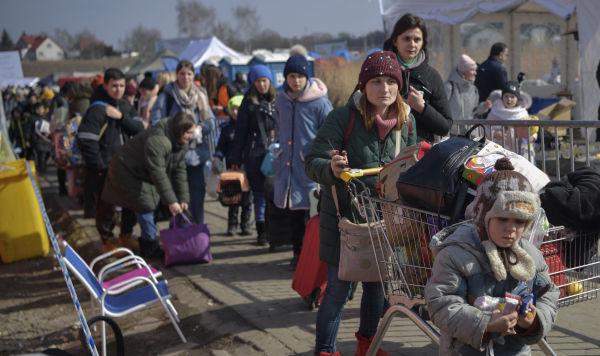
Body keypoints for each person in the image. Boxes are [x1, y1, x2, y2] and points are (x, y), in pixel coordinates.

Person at [305, 51, 417, 355]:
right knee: (338, 291)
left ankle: (368, 345)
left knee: (377, 289)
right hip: (346, 221)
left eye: (391, 82)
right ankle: (325, 350)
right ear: (363, 86)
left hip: (385, 221)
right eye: (376, 82)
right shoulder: (343, 117)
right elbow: (311, 160)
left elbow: (410, 166)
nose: (385, 89)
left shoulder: (407, 122)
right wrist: (331, 169)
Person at [425, 157, 559, 355]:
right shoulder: (456, 254)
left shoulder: (531, 256)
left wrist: (534, 320)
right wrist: (485, 323)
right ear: (482, 216)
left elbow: (548, 293)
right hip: (465, 350)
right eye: (502, 219)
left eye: (520, 222)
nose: (511, 229)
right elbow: (441, 303)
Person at [101, 112, 195, 258]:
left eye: (192, 132)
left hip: (141, 171)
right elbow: (158, 174)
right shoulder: (158, 141)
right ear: (179, 131)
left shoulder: (180, 142)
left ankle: (128, 237)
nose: (191, 136)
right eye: (189, 132)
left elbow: (179, 170)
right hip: (126, 169)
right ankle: (149, 245)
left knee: (141, 203)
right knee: (146, 204)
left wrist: (183, 198)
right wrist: (171, 201)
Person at [274, 54, 333, 269]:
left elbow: (330, 131)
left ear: (306, 76)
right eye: (291, 76)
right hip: (288, 164)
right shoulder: (281, 99)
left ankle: (315, 256)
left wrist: (323, 157)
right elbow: (278, 123)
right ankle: (297, 253)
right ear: (286, 78)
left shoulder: (319, 102)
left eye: (299, 76)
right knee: (294, 214)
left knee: (314, 213)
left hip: (310, 165)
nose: (296, 81)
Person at [77, 67, 144, 252]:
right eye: (114, 85)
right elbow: (86, 140)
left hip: (127, 166)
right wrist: (98, 165)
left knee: (130, 202)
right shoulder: (97, 109)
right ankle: (107, 241)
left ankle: (126, 236)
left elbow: (138, 129)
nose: (119, 89)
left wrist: (121, 117)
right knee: (106, 206)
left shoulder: (124, 106)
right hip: (105, 167)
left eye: (122, 85)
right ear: (105, 85)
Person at [151, 60, 215, 225]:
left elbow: (211, 121)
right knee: (179, 196)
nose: (185, 77)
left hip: (197, 153)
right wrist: (175, 132)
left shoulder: (201, 94)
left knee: (198, 193)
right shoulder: (168, 95)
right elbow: (156, 120)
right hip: (175, 153)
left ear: (194, 75)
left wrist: (200, 128)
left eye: (189, 73)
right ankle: (179, 233)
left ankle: (198, 231)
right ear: (176, 75)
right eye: (182, 73)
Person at [383, 13, 452, 142]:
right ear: (395, 41)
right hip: (385, 153)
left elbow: (445, 126)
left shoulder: (432, 76)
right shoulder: (379, 71)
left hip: (421, 155)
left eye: (417, 39)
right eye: (406, 38)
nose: (412, 44)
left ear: (423, 43)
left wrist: (422, 108)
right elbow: (357, 106)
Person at [229, 65, 278, 246]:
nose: (262, 85)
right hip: (255, 154)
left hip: (275, 154)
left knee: (275, 194)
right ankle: (261, 232)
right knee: (259, 195)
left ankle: (277, 231)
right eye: (258, 81)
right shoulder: (248, 103)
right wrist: (235, 158)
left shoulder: (278, 100)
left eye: (265, 80)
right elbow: (240, 131)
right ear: (252, 82)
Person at [213, 95, 253, 236]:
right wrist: (217, 158)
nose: (235, 112)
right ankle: (232, 225)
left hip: (248, 168)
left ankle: (245, 225)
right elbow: (220, 147)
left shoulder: (250, 127)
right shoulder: (226, 128)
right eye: (233, 109)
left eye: (238, 109)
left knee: (248, 199)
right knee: (233, 197)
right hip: (232, 169)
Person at [486, 81, 538, 162]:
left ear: (517, 99)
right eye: (506, 96)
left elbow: (532, 130)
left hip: (519, 151)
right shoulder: (494, 112)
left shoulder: (522, 114)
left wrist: (533, 137)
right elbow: (484, 129)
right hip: (498, 152)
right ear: (502, 97)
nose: (509, 99)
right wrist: (494, 134)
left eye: (512, 97)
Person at [445, 54, 483, 134]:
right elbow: (441, 109)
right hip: (451, 134)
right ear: (464, 71)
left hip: (469, 133)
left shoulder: (474, 89)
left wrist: (483, 107)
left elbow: (474, 112)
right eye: (472, 70)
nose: (475, 73)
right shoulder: (449, 87)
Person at [30, 102, 53, 174]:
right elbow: (29, 129)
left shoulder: (46, 117)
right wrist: (29, 138)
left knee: (47, 154)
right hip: (38, 140)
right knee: (41, 155)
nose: (40, 110)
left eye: (42, 109)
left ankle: (42, 166)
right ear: (36, 110)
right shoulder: (32, 118)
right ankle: (41, 169)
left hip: (47, 140)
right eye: (39, 109)